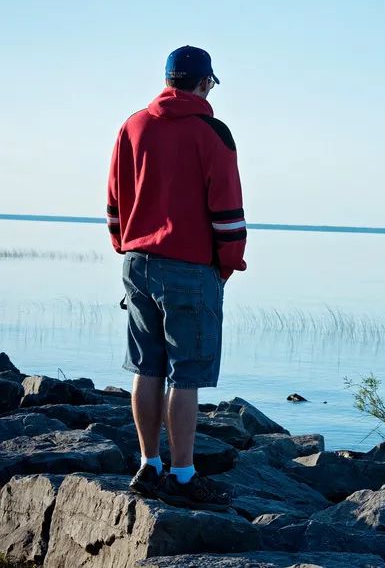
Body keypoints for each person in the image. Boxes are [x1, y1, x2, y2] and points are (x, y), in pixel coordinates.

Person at [106, 45, 246, 510]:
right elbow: (227, 211)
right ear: (204, 83)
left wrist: (124, 243)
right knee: (185, 375)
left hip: (138, 261)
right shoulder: (212, 133)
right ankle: (183, 477)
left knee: (147, 368)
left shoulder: (133, 125)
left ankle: (149, 465)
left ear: (168, 81)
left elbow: (114, 201)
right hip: (190, 267)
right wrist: (226, 265)